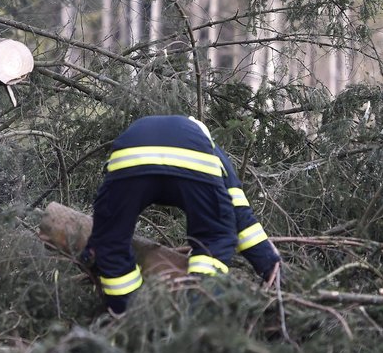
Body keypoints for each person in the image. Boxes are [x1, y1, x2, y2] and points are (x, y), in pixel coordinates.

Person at [83, 115, 282, 315]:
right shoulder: (205, 141)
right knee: (215, 239)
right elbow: (237, 208)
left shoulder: (139, 129)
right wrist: (267, 260)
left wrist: (98, 241)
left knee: (110, 242)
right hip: (195, 161)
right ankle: (198, 311)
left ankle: (130, 314)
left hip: (129, 159)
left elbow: (107, 212)